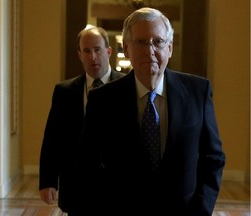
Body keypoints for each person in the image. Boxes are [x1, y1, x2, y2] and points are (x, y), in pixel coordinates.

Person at [78, 7, 226, 216]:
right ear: (126, 49)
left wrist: (201, 209)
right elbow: (87, 164)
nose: (150, 50)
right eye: (141, 42)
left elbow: (213, 157)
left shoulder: (197, 92)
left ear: (170, 49)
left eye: (158, 42)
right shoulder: (103, 100)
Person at [39, 25, 125, 215]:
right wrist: (48, 181)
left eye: (97, 50)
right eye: (86, 51)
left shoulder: (127, 87)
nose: (92, 56)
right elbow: (53, 137)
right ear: (79, 54)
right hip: (77, 186)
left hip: (117, 186)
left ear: (109, 51)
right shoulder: (64, 91)